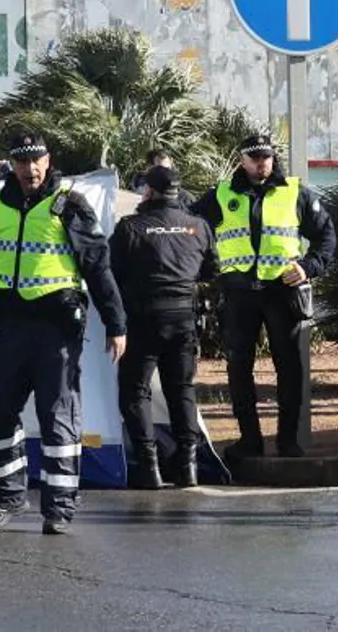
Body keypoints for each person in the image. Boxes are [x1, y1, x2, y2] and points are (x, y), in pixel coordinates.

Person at [0, 130, 127, 535]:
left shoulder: (68, 204)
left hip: (56, 328)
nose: (29, 168)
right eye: (21, 161)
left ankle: (59, 509)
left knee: (58, 419)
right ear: (12, 164)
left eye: (36, 160)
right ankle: (6, 499)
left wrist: (116, 323)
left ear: (48, 161)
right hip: (8, 324)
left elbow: (98, 267)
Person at [191, 134, 336, 460]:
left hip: (281, 291)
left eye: (266, 157)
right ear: (242, 159)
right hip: (239, 292)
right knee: (238, 367)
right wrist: (207, 270)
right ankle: (250, 440)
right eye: (254, 157)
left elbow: (326, 235)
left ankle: (287, 441)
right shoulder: (221, 194)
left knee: (289, 367)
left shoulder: (294, 192)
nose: (261, 163)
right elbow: (191, 230)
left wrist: (309, 266)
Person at [109, 165, 217, 489]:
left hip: (143, 319)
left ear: (150, 192)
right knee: (181, 389)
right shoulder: (198, 227)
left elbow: (112, 274)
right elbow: (212, 271)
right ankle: (188, 465)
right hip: (184, 318)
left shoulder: (130, 227)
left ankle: (148, 466)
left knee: (134, 391)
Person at [130, 150, 195, 206]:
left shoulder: (186, 199)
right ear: (148, 168)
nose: (166, 174)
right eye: (161, 170)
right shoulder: (133, 193)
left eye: (168, 169)